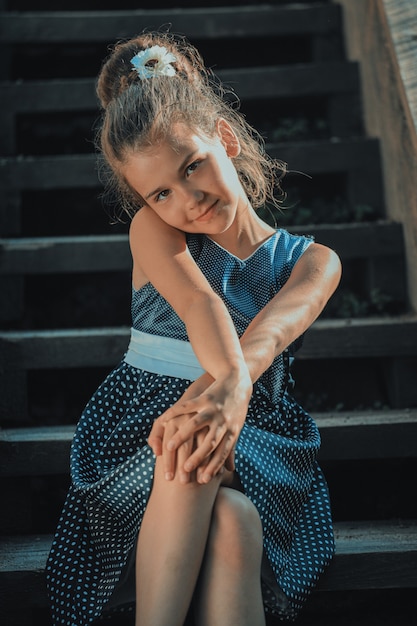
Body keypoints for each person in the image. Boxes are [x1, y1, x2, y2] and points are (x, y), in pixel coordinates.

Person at [46, 31, 342, 626]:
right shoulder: (156, 233)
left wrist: (234, 389)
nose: (187, 199)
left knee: (221, 491)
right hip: (143, 425)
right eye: (160, 192)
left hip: (258, 429)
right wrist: (226, 383)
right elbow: (200, 303)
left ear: (225, 140)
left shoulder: (313, 261)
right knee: (190, 452)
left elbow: (268, 336)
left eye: (193, 166)